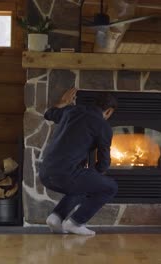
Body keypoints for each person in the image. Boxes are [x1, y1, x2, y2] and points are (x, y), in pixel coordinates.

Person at [39, 88, 118, 235]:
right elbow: (103, 162)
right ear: (109, 111)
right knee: (110, 187)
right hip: (65, 175)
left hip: (44, 173)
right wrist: (96, 176)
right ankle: (76, 223)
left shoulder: (71, 111)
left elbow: (49, 114)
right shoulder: (103, 126)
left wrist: (63, 103)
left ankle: (56, 218)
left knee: (84, 184)